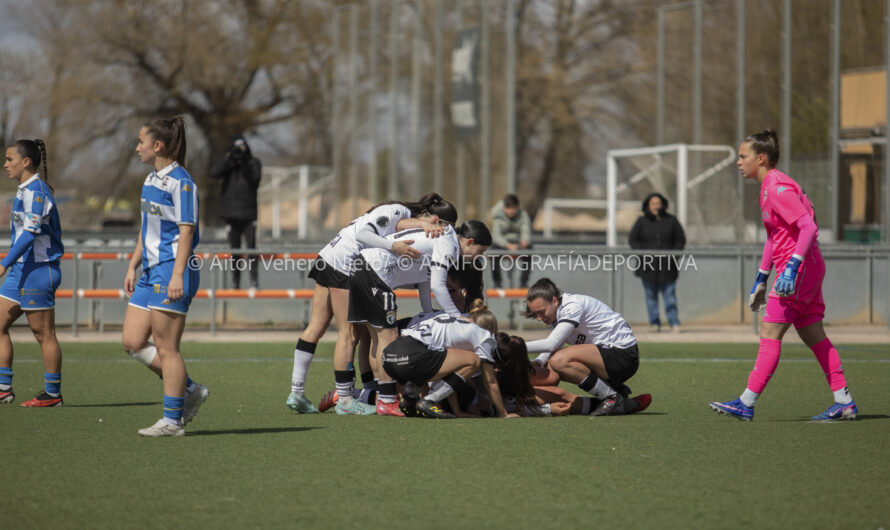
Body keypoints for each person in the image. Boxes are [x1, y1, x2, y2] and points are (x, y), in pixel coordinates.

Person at [709, 129, 857, 422]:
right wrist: (762, 277)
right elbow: (774, 237)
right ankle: (844, 401)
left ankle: (746, 402)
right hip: (805, 267)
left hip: (799, 269)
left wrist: (791, 268)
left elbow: (808, 228)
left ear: (760, 158)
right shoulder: (767, 188)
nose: (738, 162)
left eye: (743, 156)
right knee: (813, 334)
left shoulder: (777, 188)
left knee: (769, 332)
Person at [287, 194, 456, 416]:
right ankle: (345, 399)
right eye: (435, 224)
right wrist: (394, 246)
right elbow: (363, 234)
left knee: (318, 328)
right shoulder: (397, 210)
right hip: (344, 263)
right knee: (350, 335)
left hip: (330, 256)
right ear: (431, 218)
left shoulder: (405, 218)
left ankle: (297, 392)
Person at [348, 220, 491, 416]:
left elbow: (425, 280)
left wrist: (427, 311)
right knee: (387, 338)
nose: (480, 256)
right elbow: (437, 286)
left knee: (378, 337)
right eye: (481, 250)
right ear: (469, 241)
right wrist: (457, 317)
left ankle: (381, 397)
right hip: (375, 272)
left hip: (363, 268)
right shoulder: (447, 243)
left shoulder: (443, 239)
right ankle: (386, 401)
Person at [122, 116, 208, 437]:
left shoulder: (182, 182)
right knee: (131, 341)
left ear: (157, 146)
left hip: (174, 270)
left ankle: (172, 422)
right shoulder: (149, 180)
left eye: (141, 142)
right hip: (149, 271)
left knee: (167, 347)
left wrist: (177, 274)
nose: (137, 147)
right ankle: (189, 389)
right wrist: (133, 264)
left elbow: (187, 232)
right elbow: (146, 230)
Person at [523, 278, 648, 416]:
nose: (539, 318)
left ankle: (611, 396)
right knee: (550, 368)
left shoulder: (572, 306)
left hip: (624, 356)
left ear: (554, 301)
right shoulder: (557, 311)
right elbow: (557, 342)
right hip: (611, 357)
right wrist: (539, 362)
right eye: (535, 314)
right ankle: (616, 392)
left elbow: (551, 343)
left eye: (541, 312)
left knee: (558, 361)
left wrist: (515, 346)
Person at [0, 139, 65, 407]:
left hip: (39, 270)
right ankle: (3, 388)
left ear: (26, 162)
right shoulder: (22, 190)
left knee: (43, 334)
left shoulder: (37, 191)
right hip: (21, 270)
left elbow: (29, 234)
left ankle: (52, 394)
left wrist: (3, 263)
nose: (5, 165)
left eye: (9, 159)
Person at [383, 300, 519, 419]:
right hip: (411, 358)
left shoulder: (455, 321)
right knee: (475, 360)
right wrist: (503, 413)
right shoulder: (485, 336)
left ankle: (409, 398)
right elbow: (490, 382)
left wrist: (457, 411)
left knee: (437, 358)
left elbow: (449, 372)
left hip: (389, 357)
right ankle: (428, 400)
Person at [628, 192, 686, 332]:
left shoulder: (671, 220)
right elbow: (633, 239)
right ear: (648, 205)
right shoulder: (642, 221)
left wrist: (674, 255)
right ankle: (655, 323)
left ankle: (674, 323)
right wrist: (642, 255)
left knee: (669, 296)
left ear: (663, 205)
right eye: (653, 204)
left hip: (667, 266)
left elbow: (680, 239)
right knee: (650, 296)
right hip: (647, 267)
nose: (656, 206)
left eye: (658, 203)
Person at [209, 134, 262, 289]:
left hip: (249, 213)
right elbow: (214, 173)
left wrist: (245, 160)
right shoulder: (228, 164)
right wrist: (229, 158)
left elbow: (255, 178)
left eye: (241, 148)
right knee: (234, 250)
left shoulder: (253, 163)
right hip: (230, 214)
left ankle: (254, 281)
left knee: (251, 247)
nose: (239, 152)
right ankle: (235, 283)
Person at [489, 194, 532, 289]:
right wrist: (507, 245)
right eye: (508, 208)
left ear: (517, 207)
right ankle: (497, 283)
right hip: (502, 244)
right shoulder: (498, 217)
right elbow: (496, 235)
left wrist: (524, 241)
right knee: (493, 252)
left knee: (529, 251)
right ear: (504, 208)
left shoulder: (523, 215)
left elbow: (526, 231)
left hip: (518, 243)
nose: (511, 211)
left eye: (513, 208)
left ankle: (523, 283)